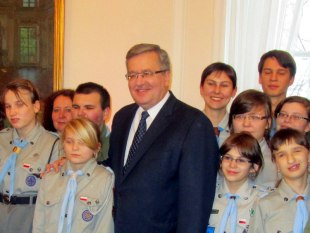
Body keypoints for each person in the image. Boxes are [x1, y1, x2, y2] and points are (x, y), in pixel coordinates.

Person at [108, 43, 219, 233]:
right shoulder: (122, 118)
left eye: (147, 73)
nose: (139, 82)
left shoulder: (193, 124)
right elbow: (117, 171)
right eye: (132, 75)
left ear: (167, 76)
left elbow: (195, 204)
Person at [33, 118, 114, 233]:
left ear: (97, 147)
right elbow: (39, 223)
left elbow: (104, 226)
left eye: (82, 142)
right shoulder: (49, 177)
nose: (75, 148)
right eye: (69, 141)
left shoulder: (104, 179)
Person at [0, 79, 60, 233]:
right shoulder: (1, 139)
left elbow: (55, 197)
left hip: (31, 219)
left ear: (36, 106)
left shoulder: (54, 144)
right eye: (8, 106)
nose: (12, 112)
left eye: (19, 104)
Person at [249, 128, 310, 233]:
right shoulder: (265, 205)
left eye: (297, 151)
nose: (290, 159)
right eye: (282, 155)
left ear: (309, 156)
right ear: (275, 163)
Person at [208, 132, 264, 233]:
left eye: (241, 160)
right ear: (220, 161)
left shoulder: (263, 200)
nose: (232, 165)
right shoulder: (207, 195)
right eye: (228, 158)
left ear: (254, 167)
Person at [228, 89, 277, 190]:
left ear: (268, 123)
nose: (246, 124)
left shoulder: (273, 164)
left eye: (254, 117)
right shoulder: (223, 152)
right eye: (240, 116)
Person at [258, 49, 296, 137]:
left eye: (281, 73)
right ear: (260, 77)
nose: (273, 78)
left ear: (291, 79)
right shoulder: (246, 115)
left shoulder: (300, 117)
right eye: (268, 72)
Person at [72, 82, 111, 162]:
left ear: (105, 113)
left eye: (88, 108)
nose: (80, 113)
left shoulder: (114, 149)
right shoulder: (63, 142)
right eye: (76, 107)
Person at [200, 62, 237, 146]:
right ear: (201, 88)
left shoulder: (239, 130)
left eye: (224, 85)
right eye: (211, 84)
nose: (217, 91)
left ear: (234, 91)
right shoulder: (188, 127)